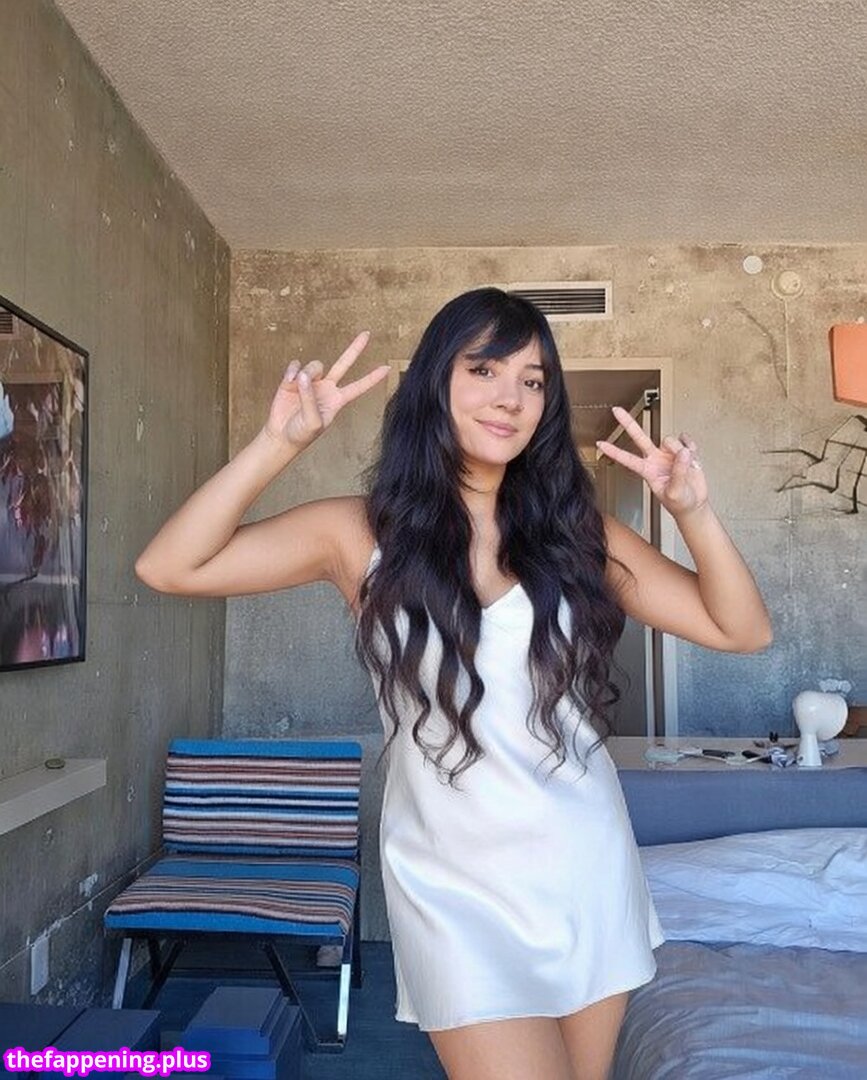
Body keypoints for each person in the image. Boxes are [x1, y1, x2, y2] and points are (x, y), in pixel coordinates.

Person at [136, 288, 772, 1080]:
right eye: (484, 369)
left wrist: (692, 513)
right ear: (435, 380)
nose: (511, 397)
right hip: (451, 884)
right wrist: (278, 442)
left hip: (583, 864)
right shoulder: (355, 533)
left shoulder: (576, 535)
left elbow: (740, 630)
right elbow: (169, 566)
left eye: (532, 381)